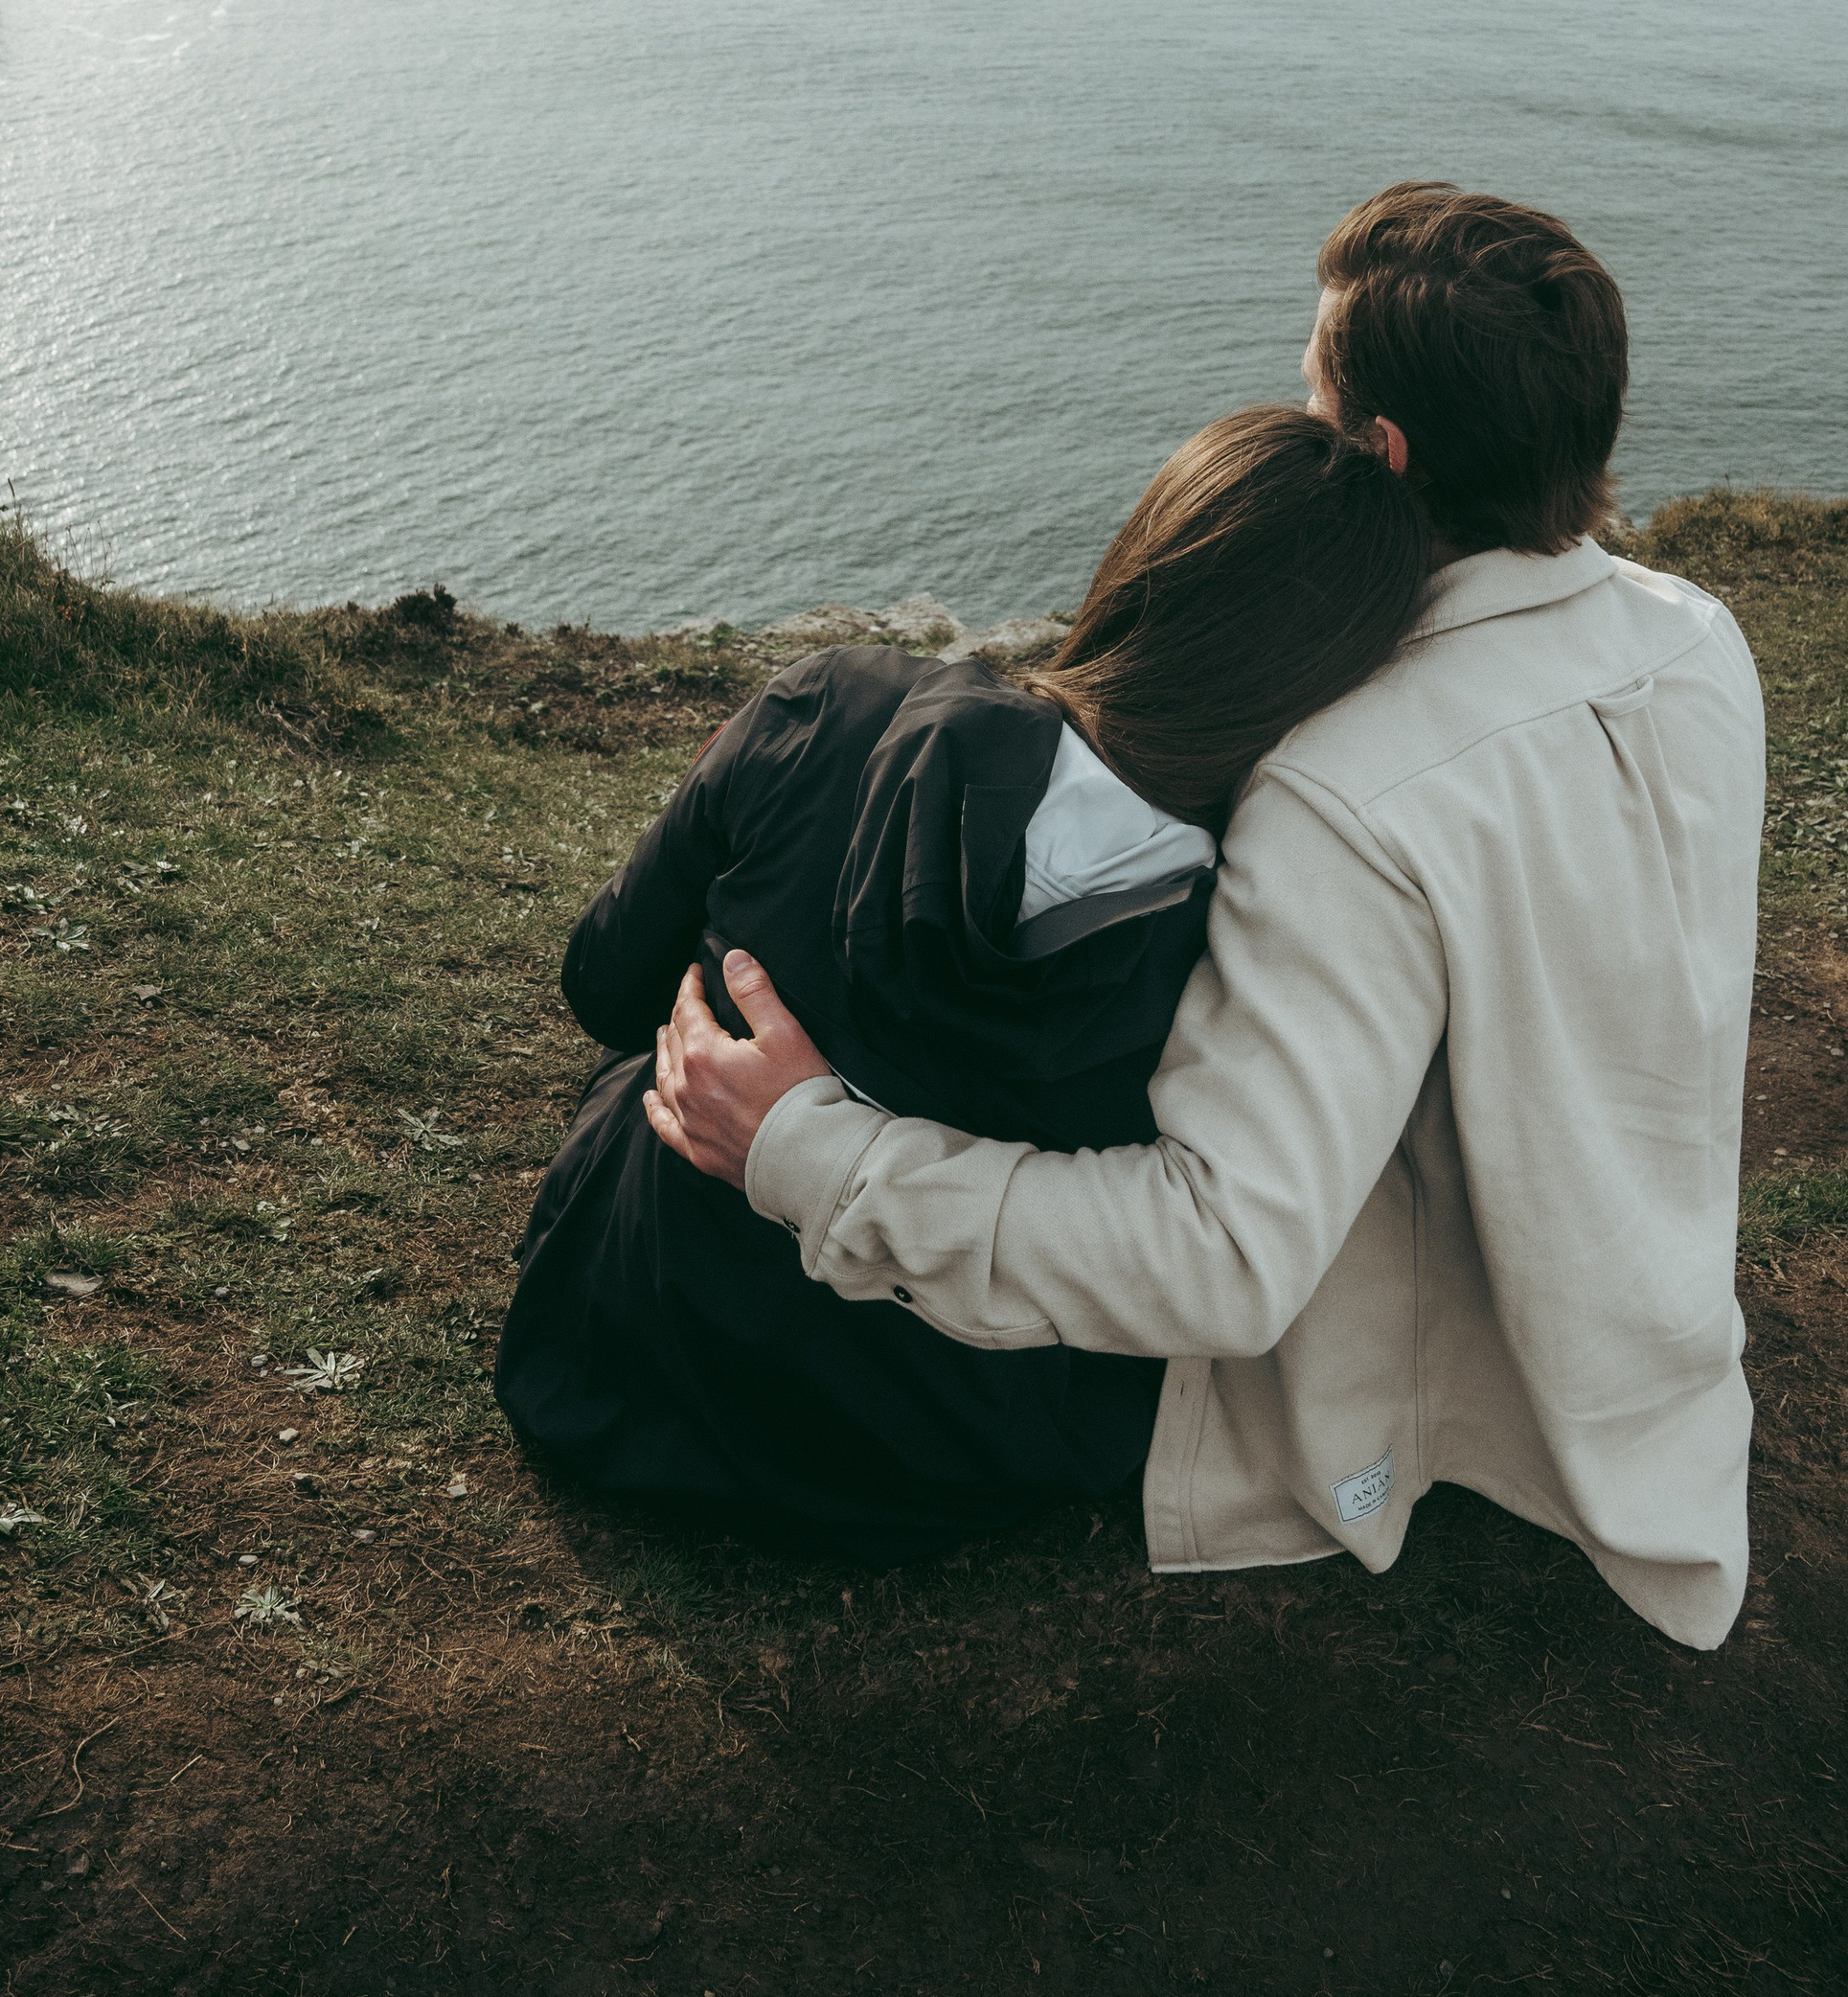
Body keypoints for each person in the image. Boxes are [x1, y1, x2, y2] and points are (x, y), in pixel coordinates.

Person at [646, 183, 1769, 1650]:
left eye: (1312, 391)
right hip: (1650, 1350)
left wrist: (815, 1150)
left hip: (1414, 1411)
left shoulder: (1343, 783)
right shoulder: (1699, 641)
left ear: (1380, 455)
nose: (1292, 412)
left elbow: (1224, 1260)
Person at [496, 407, 1432, 1558]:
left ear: (1144, 555)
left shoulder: (830, 702)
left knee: (662, 1034)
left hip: (611, 1357)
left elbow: (603, 986)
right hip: (934, 1453)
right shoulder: (1238, 930)